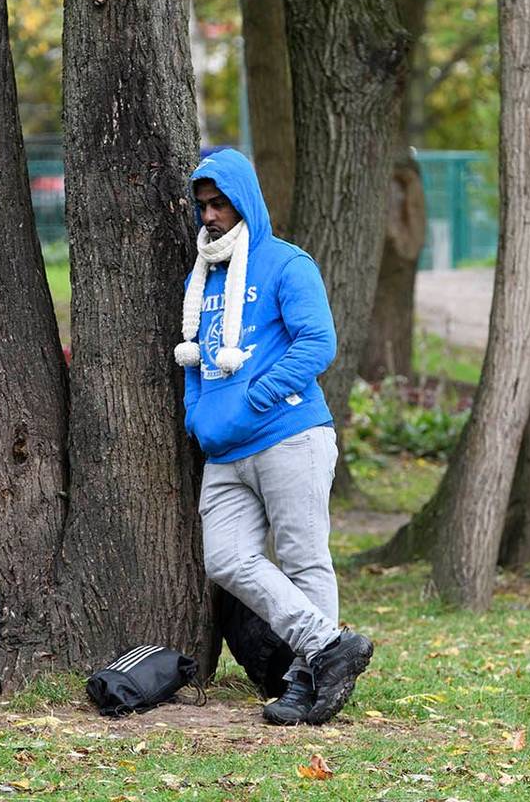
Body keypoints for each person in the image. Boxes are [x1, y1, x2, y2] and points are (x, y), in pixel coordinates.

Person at [175, 148, 372, 725]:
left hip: (289, 435)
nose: (210, 216)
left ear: (246, 201)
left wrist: (254, 398)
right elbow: (195, 359)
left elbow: (318, 344)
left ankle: (305, 682)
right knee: (227, 559)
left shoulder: (288, 264)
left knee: (305, 560)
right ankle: (328, 645)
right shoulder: (201, 277)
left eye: (220, 204)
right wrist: (198, 414)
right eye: (203, 206)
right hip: (223, 451)